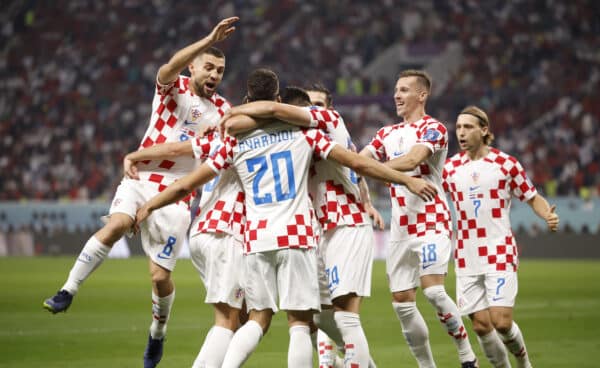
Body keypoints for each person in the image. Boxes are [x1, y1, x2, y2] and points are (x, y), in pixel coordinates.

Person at [132, 68, 438, 368]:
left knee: (257, 319)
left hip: (254, 238)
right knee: (301, 324)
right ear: (283, 102)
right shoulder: (306, 136)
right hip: (298, 234)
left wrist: (149, 205)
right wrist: (406, 180)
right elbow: (359, 164)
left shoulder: (234, 141)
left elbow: (187, 183)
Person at [42, 16, 239, 368]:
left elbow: (186, 151)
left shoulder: (223, 112)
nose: (214, 75)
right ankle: (68, 290)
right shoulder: (173, 88)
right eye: (208, 67)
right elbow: (168, 66)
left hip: (176, 194)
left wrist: (135, 153)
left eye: (220, 71)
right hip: (139, 179)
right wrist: (207, 37)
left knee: (160, 276)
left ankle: (157, 334)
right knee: (116, 224)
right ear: (192, 66)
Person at [120, 86, 318, 367]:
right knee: (229, 320)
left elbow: (178, 149)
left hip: (204, 230)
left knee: (245, 315)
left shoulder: (220, 135)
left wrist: (137, 156)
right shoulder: (256, 138)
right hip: (229, 230)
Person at [222, 83, 382, 367]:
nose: (310, 111)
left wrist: (230, 114)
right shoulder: (299, 136)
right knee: (316, 317)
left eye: (317, 105)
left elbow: (357, 165)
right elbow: (356, 169)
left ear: (328, 108)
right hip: (311, 232)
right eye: (307, 106)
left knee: (339, 315)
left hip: (343, 224)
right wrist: (368, 199)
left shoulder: (323, 126)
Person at [360, 70, 478, 368]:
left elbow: (413, 160)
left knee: (435, 291)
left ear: (421, 95)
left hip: (431, 220)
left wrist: (373, 168)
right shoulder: (385, 133)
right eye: (396, 90)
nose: (396, 95)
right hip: (400, 227)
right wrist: (356, 165)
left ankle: (466, 355)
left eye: (404, 90)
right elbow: (360, 159)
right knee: (402, 302)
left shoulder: (434, 128)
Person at [441, 105, 559, 368]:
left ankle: (524, 363)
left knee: (502, 322)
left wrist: (546, 215)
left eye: (468, 127)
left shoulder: (505, 164)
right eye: (458, 127)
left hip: (498, 250)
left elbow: (532, 197)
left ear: (484, 130)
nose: (461, 132)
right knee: (482, 326)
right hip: (465, 254)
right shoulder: (448, 168)